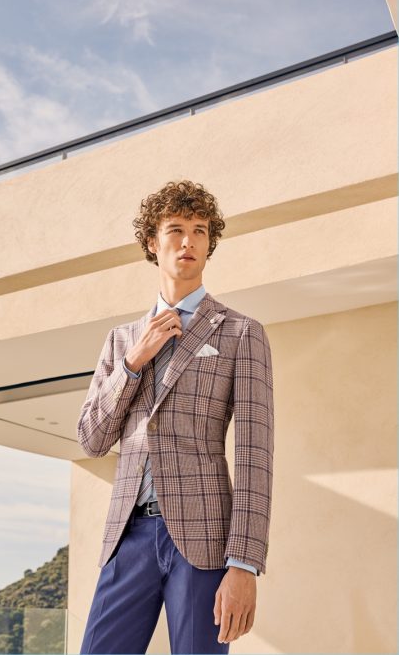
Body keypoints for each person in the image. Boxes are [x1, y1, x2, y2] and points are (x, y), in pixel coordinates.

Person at [77, 179, 274, 654]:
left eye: (200, 231)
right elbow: (91, 439)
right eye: (176, 229)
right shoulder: (121, 341)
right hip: (128, 536)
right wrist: (133, 363)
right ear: (152, 242)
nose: (189, 241)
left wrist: (244, 564)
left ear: (209, 244)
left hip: (205, 540)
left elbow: (255, 455)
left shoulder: (240, 333)